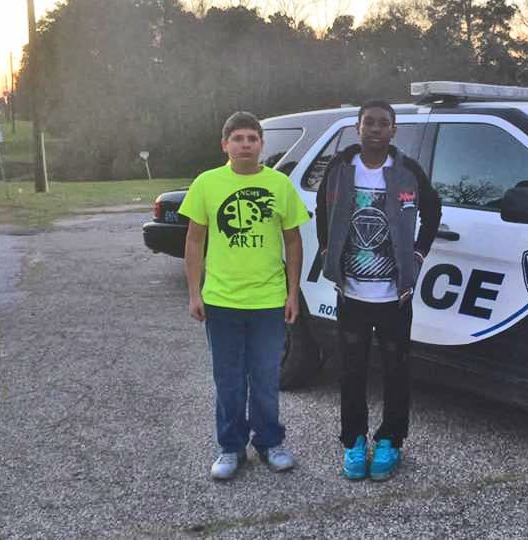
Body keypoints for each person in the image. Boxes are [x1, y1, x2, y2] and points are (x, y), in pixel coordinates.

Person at [180, 111, 310, 480]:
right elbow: (194, 240)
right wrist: (194, 292)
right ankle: (230, 447)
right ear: (225, 145)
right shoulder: (207, 183)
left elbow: (293, 241)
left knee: (266, 378)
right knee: (229, 380)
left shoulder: (279, 185)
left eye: (252, 138)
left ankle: (270, 442)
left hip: (268, 301)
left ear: (261, 145)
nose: (245, 144)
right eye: (237, 138)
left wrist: (292, 293)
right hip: (221, 301)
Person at [316, 100, 441, 481]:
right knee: (351, 372)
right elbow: (322, 210)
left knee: (396, 372)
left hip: (395, 298)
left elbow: (433, 212)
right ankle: (353, 440)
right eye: (368, 122)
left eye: (383, 123)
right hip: (352, 295)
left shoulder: (408, 171)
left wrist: (417, 256)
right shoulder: (340, 169)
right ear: (357, 127)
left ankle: (390, 440)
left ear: (393, 130)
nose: (375, 128)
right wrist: (328, 254)